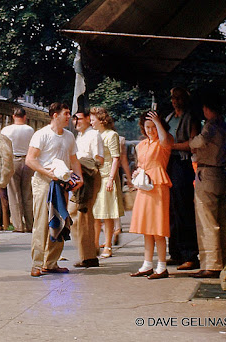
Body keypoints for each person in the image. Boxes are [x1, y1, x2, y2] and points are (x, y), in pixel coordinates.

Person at [26, 102, 83, 277]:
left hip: (62, 184)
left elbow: (73, 159)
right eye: (66, 113)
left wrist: (79, 178)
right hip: (44, 183)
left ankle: (51, 262)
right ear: (55, 115)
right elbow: (30, 160)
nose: (69, 117)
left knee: (59, 221)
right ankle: (37, 263)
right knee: (42, 223)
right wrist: (47, 173)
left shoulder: (69, 136)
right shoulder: (41, 135)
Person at [189, 93, 226, 279]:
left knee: (206, 221)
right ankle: (224, 260)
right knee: (221, 221)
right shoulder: (224, 125)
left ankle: (212, 264)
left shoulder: (211, 125)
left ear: (207, 109)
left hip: (207, 174)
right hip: (220, 173)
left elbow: (199, 141)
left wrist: (191, 142)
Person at [129, 111, 174, 279]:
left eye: (153, 127)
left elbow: (165, 140)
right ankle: (147, 264)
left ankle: (162, 266)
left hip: (159, 185)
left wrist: (158, 121)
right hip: (145, 186)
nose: (150, 130)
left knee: (158, 228)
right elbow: (141, 164)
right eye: (147, 127)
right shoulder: (141, 145)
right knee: (146, 228)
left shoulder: (164, 141)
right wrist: (137, 173)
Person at [165, 87, 200, 270]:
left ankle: (190, 254)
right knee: (171, 209)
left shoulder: (190, 118)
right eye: (173, 98)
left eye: (179, 98)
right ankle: (175, 252)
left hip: (182, 164)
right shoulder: (169, 118)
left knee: (183, 209)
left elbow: (192, 143)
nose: (175, 101)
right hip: (169, 165)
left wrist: (173, 146)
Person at [68, 109, 104, 268]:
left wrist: (82, 163)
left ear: (88, 119)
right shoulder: (79, 136)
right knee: (74, 215)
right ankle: (87, 252)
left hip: (89, 177)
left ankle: (89, 256)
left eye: (80, 119)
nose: (76, 122)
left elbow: (99, 159)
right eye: (74, 119)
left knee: (84, 215)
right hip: (78, 177)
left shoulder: (93, 135)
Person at [90, 107, 125, 259]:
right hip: (96, 177)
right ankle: (95, 245)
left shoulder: (111, 135)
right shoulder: (94, 135)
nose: (91, 122)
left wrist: (111, 178)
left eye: (93, 119)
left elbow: (116, 157)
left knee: (108, 214)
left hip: (106, 177)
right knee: (96, 215)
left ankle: (108, 246)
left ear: (101, 120)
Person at [1, 107, 35, 233]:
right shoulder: (30, 130)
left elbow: (3, 147)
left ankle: (18, 225)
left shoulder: (6, 130)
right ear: (25, 117)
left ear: (13, 116)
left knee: (14, 194)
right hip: (27, 162)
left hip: (13, 161)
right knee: (27, 194)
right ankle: (30, 224)